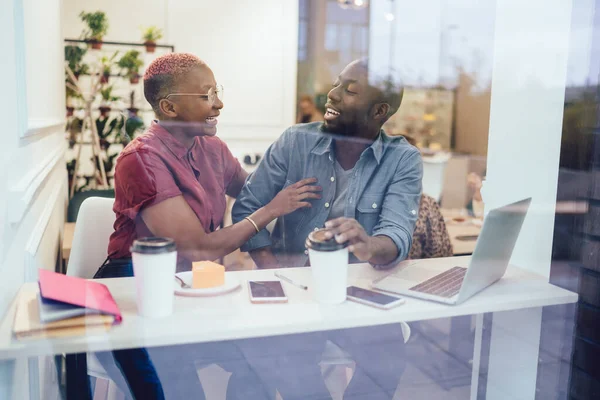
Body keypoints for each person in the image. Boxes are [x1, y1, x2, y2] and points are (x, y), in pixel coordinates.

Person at [69, 53, 322, 400]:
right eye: (206, 96)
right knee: (176, 388)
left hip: (194, 287)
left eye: (216, 91)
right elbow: (198, 248)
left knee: (264, 360)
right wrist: (271, 210)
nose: (219, 103)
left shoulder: (213, 148)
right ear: (169, 108)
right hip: (135, 293)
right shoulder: (140, 159)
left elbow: (254, 192)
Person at [232, 59, 422, 399]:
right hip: (292, 288)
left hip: (356, 293)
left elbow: (397, 234)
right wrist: (275, 273)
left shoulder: (402, 159)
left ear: (379, 111)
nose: (331, 95)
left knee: (388, 357)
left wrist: (367, 246)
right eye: (336, 84)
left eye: (349, 91)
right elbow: (247, 206)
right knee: (286, 360)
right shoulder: (295, 142)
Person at [409, 194, 453, 259]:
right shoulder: (425, 202)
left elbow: (440, 252)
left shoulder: (426, 203)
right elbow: (441, 253)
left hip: (416, 266)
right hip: (412, 266)